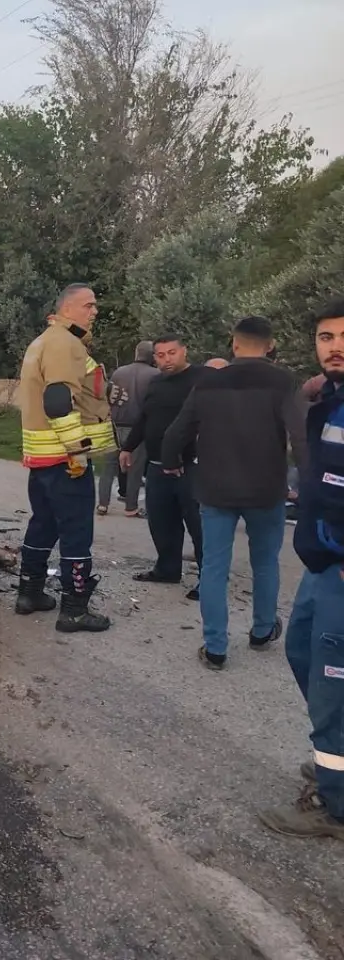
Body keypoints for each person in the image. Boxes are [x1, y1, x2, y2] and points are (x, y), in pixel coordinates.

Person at [161, 316, 309, 670]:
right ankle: (261, 631)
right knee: (265, 562)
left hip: (216, 490)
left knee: (213, 567)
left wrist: (170, 462)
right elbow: (302, 435)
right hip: (266, 490)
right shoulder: (283, 382)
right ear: (270, 346)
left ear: (234, 343)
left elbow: (176, 432)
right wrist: (311, 481)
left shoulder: (209, 383)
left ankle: (215, 647)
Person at [258, 298, 344, 840]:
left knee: (334, 683)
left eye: (343, 336)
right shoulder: (331, 402)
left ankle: (335, 807)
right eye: (326, 337)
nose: (335, 345)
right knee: (301, 653)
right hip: (321, 563)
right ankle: (336, 758)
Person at [15, 284, 117, 632]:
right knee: (76, 532)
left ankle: (29, 593)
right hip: (65, 458)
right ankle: (73, 610)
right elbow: (58, 400)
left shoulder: (42, 341)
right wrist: (77, 452)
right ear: (67, 309)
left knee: (43, 523)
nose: (94, 312)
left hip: (41, 457)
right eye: (88, 305)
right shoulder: (66, 343)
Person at [120, 335, 208, 600]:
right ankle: (167, 568)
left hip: (190, 467)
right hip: (157, 465)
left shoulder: (202, 379)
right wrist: (128, 447)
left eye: (172, 353)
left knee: (198, 525)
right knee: (161, 522)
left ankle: (209, 578)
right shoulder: (155, 383)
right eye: (160, 355)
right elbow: (145, 418)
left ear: (184, 351)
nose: (166, 359)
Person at [101, 340, 157, 517]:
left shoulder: (119, 372)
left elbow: (109, 395)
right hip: (137, 429)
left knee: (109, 466)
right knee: (135, 468)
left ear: (136, 353)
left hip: (114, 425)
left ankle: (102, 504)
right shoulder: (155, 375)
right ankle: (130, 507)